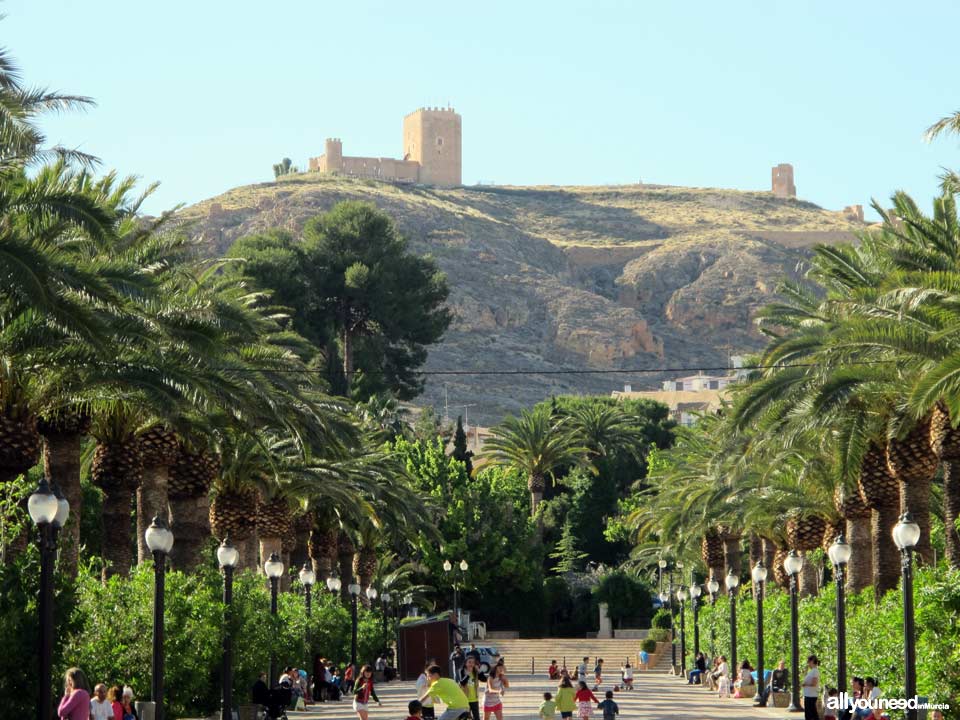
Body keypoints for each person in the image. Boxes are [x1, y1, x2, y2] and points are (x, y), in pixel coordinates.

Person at [460, 655, 481, 720]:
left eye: (473, 662)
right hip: (465, 699)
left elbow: (484, 679)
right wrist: (468, 674)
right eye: (469, 662)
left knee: (476, 718)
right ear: (465, 663)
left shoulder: (475, 672)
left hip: (474, 699)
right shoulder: (462, 671)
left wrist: (479, 671)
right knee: (465, 718)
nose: (471, 664)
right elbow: (462, 683)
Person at [801, 655, 820, 720]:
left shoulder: (815, 671)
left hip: (811, 695)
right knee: (811, 713)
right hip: (808, 695)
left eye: (808, 661)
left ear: (812, 661)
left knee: (810, 714)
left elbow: (814, 683)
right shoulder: (812, 671)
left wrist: (805, 684)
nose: (808, 663)